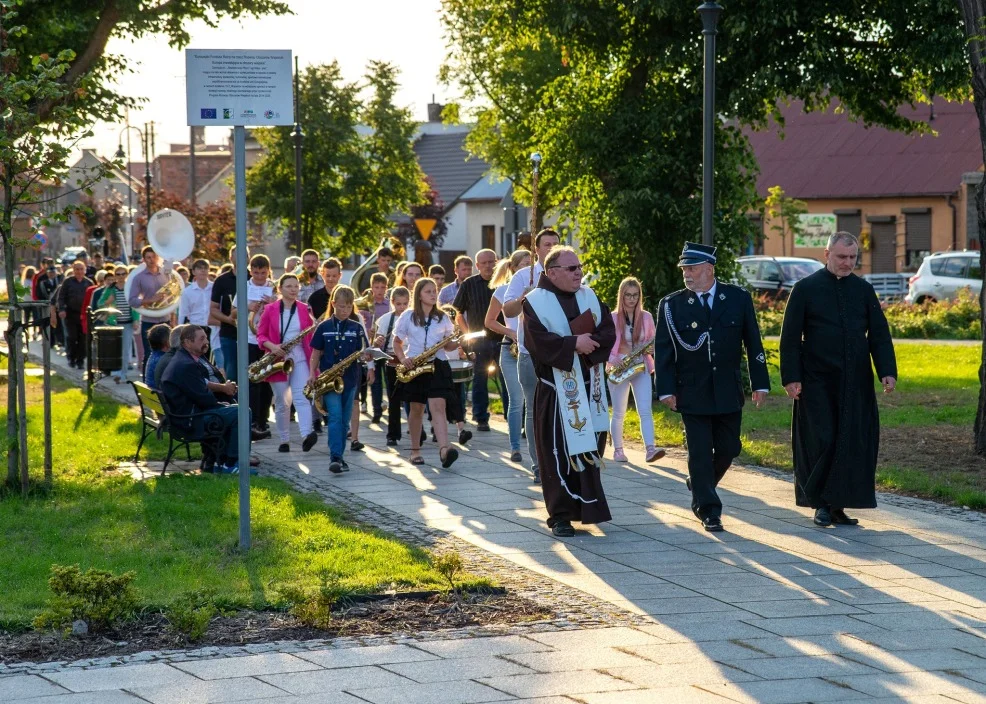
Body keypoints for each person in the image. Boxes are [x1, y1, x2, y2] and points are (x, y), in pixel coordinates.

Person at [780, 232, 897, 527]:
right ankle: (819, 503)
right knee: (822, 439)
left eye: (852, 258)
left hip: (855, 379)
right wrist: (791, 378)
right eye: (841, 257)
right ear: (826, 254)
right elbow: (790, 338)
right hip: (816, 379)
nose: (847, 263)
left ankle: (838, 505)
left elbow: (879, 334)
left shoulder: (863, 290)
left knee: (850, 440)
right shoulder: (805, 289)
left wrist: (887, 370)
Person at [654, 242, 770, 533]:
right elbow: (664, 350)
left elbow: (753, 342)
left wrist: (761, 383)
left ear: (709, 269)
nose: (687, 274)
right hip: (691, 391)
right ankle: (708, 509)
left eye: (692, 268)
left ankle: (699, 482)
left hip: (728, 389)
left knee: (730, 447)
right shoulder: (672, 305)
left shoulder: (737, 298)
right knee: (701, 451)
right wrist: (665, 389)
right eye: (684, 269)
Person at [522, 246, 616, 537]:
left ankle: (586, 508)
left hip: (591, 388)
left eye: (579, 267)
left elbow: (608, 331)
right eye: (572, 268)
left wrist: (589, 344)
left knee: (589, 449)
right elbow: (538, 341)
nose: (579, 273)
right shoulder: (535, 302)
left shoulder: (589, 295)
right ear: (552, 273)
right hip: (555, 391)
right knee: (557, 454)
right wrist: (574, 343)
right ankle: (560, 515)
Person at [503, 228, 561, 482]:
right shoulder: (523, 276)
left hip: (560, 352)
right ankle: (539, 464)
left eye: (555, 244)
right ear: (536, 249)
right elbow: (508, 308)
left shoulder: (567, 274)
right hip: (530, 354)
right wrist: (523, 297)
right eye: (546, 244)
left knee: (560, 408)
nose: (551, 248)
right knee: (535, 408)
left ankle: (559, 459)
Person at [393, 278, 461, 469]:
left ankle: (444, 450)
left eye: (435, 291)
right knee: (416, 409)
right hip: (415, 364)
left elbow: (448, 346)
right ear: (419, 295)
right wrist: (402, 358)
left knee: (438, 406)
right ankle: (415, 451)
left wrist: (460, 341)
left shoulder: (443, 317)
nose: (433, 294)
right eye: (428, 291)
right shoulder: (408, 316)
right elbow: (397, 342)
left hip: (437, 365)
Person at [161, 326, 245, 474]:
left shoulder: (184, 358)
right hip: (189, 420)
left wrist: (222, 404)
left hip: (185, 415)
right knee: (242, 412)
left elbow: (200, 394)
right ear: (187, 342)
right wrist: (221, 405)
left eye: (206, 338)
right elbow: (203, 398)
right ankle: (231, 464)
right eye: (201, 339)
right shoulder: (186, 365)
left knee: (235, 410)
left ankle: (222, 461)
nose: (206, 342)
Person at [309, 285, 373, 474]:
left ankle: (340, 457)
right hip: (329, 380)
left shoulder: (357, 327)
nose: (344, 311)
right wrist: (312, 373)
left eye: (348, 307)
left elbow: (365, 353)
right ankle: (334, 457)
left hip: (351, 379)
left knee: (345, 421)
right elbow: (315, 352)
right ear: (333, 304)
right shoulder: (324, 326)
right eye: (341, 307)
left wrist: (368, 358)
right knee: (335, 417)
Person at [256, 272, 319, 453]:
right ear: (280, 289)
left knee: (300, 396)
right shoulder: (270, 309)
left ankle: (307, 434)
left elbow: (310, 335)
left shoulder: (305, 309)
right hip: (278, 357)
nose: (293, 290)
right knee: (283, 402)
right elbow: (261, 335)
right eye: (289, 286)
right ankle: (284, 439)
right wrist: (273, 347)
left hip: (299, 356)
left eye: (296, 286)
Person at [608, 277, 666, 464]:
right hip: (620, 367)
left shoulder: (647, 317)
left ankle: (650, 449)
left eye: (635, 295)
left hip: (640, 366)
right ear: (621, 296)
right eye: (628, 295)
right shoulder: (613, 318)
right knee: (619, 412)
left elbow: (653, 340)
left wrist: (651, 349)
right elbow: (605, 345)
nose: (632, 299)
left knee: (645, 410)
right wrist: (614, 360)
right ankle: (618, 450)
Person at [484, 249, 531, 462]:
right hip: (510, 349)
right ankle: (515, 447)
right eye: (523, 266)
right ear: (512, 269)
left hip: (534, 350)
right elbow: (489, 321)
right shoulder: (502, 291)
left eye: (530, 266)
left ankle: (537, 446)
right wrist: (511, 332)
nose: (527, 270)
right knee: (516, 400)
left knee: (535, 400)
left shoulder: (538, 289)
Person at [453, 248, 502, 432]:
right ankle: (481, 418)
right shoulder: (469, 284)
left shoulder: (505, 283)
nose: (489, 266)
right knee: (479, 379)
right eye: (485, 263)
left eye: (492, 261)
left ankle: (513, 416)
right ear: (478, 265)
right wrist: (467, 335)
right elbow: (457, 312)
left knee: (507, 379)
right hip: (479, 339)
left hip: (503, 338)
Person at [232, 254, 275, 439]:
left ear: (268, 271)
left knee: (266, 382)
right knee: (251, 381)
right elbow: (232, 312)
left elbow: (283, 310)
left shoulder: (273, 287)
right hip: (249, 339)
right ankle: (251, 420)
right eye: (256, 273)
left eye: (263, 273)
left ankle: (263, 420)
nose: (259, 277)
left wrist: (273, 303)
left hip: (268, 341)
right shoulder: (244, 287)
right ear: (250, 271)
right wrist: (248, 306)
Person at [372, 286, 410, 447]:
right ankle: (392, 435)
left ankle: (418, 430)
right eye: (399, 304)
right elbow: (377, 343)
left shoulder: (413, 317)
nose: (402, 308)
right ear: (392, 302)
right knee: (394, 400)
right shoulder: (385, 319)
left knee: (413, 398)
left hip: (410, 361)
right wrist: (377, 342)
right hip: (392, 362)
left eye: (405, 304)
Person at [128, 246, 174, 371]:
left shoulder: (167, 273)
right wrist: (149, 300)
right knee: (149, 354)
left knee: (167, 353)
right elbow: (132, 300)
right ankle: (148, 383)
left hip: (165, 319)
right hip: (149, 320)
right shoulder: (139, 277)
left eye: (154, 256)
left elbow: (174, 295)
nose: (151, 259)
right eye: (148, 257)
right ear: (144, 259)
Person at [98, 265, 137, 383]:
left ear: (127, 275)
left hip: (127, 323)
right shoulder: (110, 289)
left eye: (123, 274)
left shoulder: (130, 287)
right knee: (115, 349)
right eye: (118, 274)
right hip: (114, 323)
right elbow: (100, 303)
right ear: (115, 276)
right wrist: (107, 302)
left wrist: (136, 320)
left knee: (125, 349)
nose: (121, 277)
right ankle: (116, 372)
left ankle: (123, 374)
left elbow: (135, 305)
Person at [178, 259, 219, 368]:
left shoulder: (215, 287)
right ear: (194, 272)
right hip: (196, 327)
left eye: (205, 268)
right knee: (196, 358)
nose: (203, 271)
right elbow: (183, 313)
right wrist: (180, 332)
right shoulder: (188, 291)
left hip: (213, 327)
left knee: (212, 359)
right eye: (199, 268)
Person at [210, 246, 242, 381]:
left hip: (252, 335)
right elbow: (213, 309)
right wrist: (228, 319)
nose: (241, 257)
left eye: (244, 255)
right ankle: (235, 401)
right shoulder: (221, 280)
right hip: (229, 334)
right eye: (237, 254)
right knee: (232, 373)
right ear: (231, 258)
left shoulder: (253, 278)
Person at [56, 260, 93, 369]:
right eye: (77, 269)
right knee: (72, 337)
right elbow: (61, 297)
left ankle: (80, 360)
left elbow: (92, 297)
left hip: (84, 315)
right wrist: (61, 309)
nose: (79, 271)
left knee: (83, 338)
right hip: (70, 314)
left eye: (81, 269)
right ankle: (71, 358)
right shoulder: (68, 282)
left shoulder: (89, 283)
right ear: (73, 270)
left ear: (85, 270)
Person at [366, 272, 391, 424]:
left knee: (388, 379)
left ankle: (392, 405)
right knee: (375, 380)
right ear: (371, 287)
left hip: (387, 346)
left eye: (383, 287)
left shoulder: (389, 305)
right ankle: (376, 411)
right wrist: (369, 329)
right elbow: (363, 323)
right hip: (372, 346)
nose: (380, 290)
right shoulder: (366, 305)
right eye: (376, 287)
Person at [143, 323, 171, 390]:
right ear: (167, 342)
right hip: (161, 397)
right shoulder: (164, 360)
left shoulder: (153, 356)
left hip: (153, 396)